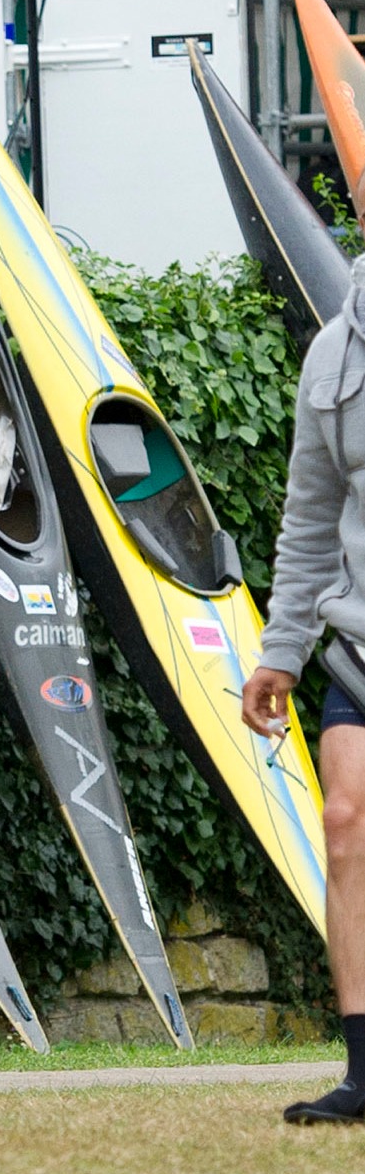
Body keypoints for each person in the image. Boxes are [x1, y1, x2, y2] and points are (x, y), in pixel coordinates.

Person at [247, 254, 365, 1126]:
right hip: (359, 645)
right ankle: (364, 1074)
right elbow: (311, 515)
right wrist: (281, 649)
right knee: (343, 823)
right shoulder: (333, 355)